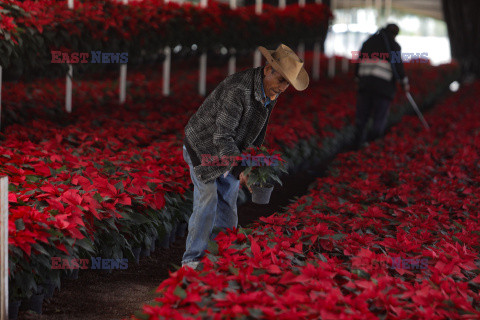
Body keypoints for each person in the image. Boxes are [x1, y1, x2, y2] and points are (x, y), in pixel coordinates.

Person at [181, 44, 309, 269]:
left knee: (228, 205)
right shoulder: (237, 90)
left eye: (287, 83)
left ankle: (221, 257)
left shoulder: (271, 90)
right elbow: (221, 137)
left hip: (229, 150)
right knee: (208, 199)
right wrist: (242, 171)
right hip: (203, 147)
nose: (283, 87)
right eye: (281, 80)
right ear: (268, 69)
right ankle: (192, 261)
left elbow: (257, 131)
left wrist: (253, 163)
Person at [353, 23, 410, 149]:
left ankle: (357, 144)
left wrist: (357, 78)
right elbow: (398, 67)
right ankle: (371, 145)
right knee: (379, 119)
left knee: (362, 118)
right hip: (383, 88)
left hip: (365, 85)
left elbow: (358, 61)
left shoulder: (368, 42)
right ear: (395, 34)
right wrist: (404, 83)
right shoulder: (394, 46)